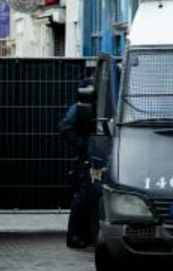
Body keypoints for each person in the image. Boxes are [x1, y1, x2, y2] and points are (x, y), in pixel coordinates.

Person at [61, 77, 96, 249]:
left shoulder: (85, 108)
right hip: (89, 156)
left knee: (87, 195)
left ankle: (84, 234)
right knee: (84, 194)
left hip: (93, 154)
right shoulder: (80, 109)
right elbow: (65, 127)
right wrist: (82, 145)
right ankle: (75, 235)